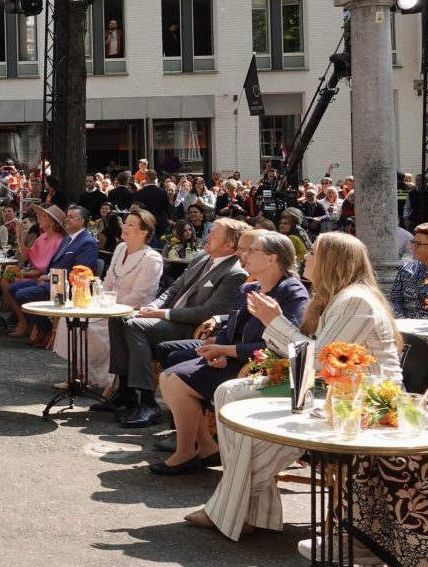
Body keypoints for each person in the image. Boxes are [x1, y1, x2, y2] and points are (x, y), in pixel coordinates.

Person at [185, 233, 403, 545]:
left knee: (251, 410)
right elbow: (314, 359)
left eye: (313, 252)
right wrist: (272, 324)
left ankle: (231, 508)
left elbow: (318, 359)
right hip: (328, 389)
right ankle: (252, 513)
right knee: (229, 392)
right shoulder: (338, 296)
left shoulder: (355, 300)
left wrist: (273, 320)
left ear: (331, 261)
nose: (306, 257)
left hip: (359, 402)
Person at [153, 232, 308, 475]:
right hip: (233, 359)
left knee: (176, 380)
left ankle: (188, 452)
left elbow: (282, 346)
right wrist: (220, 351)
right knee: (168, 376)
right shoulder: (251, 287)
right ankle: (202, 447)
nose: (245, 255)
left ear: (272, 259)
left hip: (261, 367)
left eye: (253, 250)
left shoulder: (291, 292)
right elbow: (230, 327)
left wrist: (225, 350)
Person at [106, 218, 250, 427]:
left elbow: (207, 312)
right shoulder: (202, 257)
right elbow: (174, 289)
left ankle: (148, 403)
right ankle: (125, 391)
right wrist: (154, 307)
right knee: (119, 319)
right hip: (170, 317)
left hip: (191, 327)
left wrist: (163, 314)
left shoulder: (234, 273)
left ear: (229, 245)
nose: (207, 235)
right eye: (209, 231)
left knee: (134, 325)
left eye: (214, 233)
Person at [53, 209, 163, 387]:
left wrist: (109, 308)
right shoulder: (120, 248)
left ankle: (101, 377)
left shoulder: (152, 258)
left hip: (130, 312)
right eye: (125, 223)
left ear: (144, 232)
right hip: (106, 305)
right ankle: (80, 373)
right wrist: (96, 301)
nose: (125, 227)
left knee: (90, 327)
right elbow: (107, 282)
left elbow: (140, 296)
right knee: (72, 319)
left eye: (131, 225)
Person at [9, 206, 99, 341]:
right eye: (67, 216)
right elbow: (53, 263)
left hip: (67, 287)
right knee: (13, 288)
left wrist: (49, 277)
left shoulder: (87, 242)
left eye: (71, 217)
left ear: (81, 221)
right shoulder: (67, 239)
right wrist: (44, 276)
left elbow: (81, 272)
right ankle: (42, 326)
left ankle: (46, 328)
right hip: (53, 280)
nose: (66, 219)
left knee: (22, 294)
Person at [388, 222, 428, 319]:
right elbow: (394, 300)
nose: (412, 247)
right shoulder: (406, 270)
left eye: (418, 244)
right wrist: (402, 321)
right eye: (413, 243)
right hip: (408, 329)